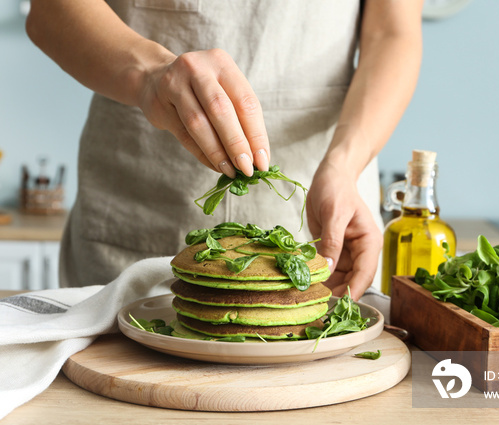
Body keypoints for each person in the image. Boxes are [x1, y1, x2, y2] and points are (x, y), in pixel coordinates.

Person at [26, 0, 423, 299]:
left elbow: (394, 32)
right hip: (140, 199)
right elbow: (51, 11)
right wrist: (151, 74)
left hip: (320, 194)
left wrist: (344, 164)